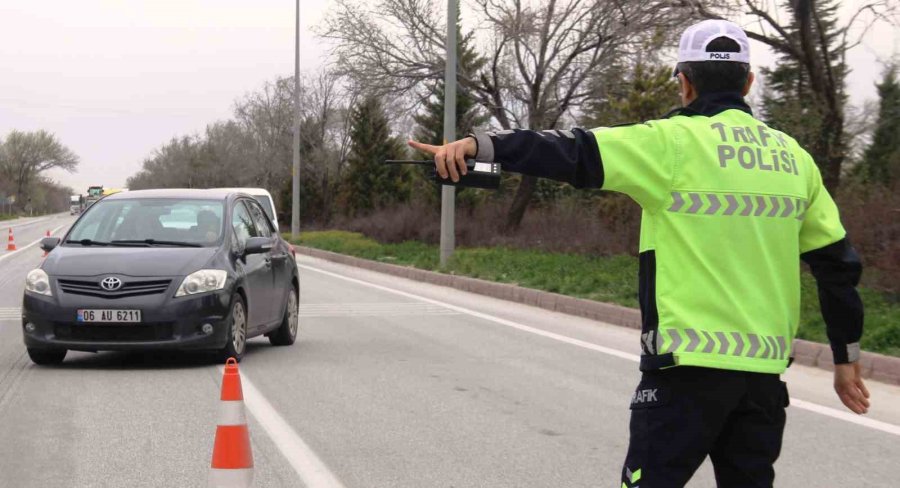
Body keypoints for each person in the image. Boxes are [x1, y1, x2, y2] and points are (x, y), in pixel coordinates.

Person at [409, 19, 870, 488]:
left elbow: (573, 151)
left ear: (684, 83)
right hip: (763, 383)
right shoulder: (795, 160)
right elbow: (838, 267)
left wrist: (482, 145)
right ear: (749, 82)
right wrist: (845, 358)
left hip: (684, 375)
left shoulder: (671, 143)